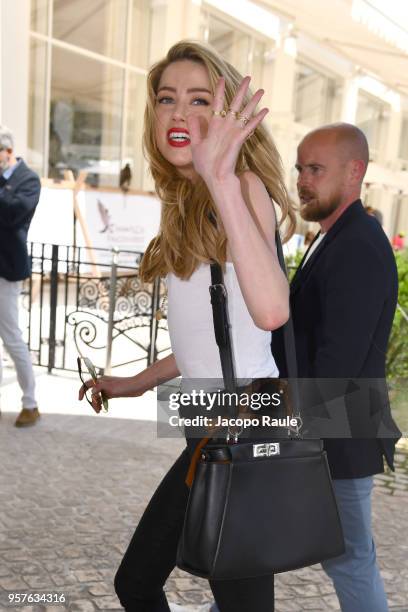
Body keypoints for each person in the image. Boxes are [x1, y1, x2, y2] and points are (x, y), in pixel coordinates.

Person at [79, 41, 295, 612]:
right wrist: (134, 383)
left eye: (199, 99)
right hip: (217, 419)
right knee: (209, 594)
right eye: (166, 99)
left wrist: (222, 176)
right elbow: (218, 336)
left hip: (249, 418)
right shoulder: (185, 202)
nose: (177, 113)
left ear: (228, 118)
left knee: (149, 584)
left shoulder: (241, 188)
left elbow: (272, 312)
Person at [273, 123, 400, 612]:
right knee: (259, 535)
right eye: (301, 168)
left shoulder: (358, 245)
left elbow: (338, 360)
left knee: (349, 559)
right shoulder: (332, 236)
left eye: (316, 169)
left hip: (336, 434)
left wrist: (291, 427)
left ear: (354, 172)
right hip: (326, 429)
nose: (303, 179)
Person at [0, 125, 41, 427]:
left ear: (8, 152)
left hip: (7, 270)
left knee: (11, 337)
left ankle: (31, 403)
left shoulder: (29, 179)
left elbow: (15, 213)